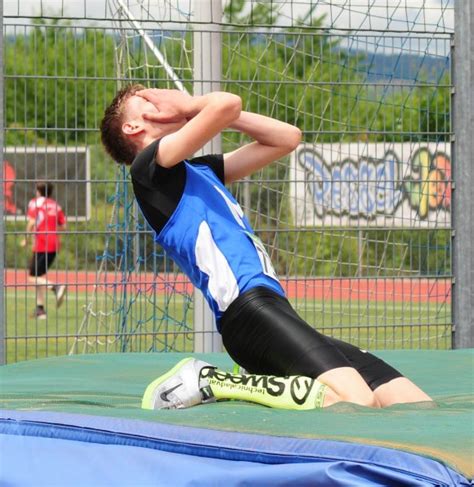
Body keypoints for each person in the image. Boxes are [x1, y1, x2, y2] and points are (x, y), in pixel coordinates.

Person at [100, 85, 432, 410]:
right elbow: (226, 104)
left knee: (411, 403)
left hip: (275, 309)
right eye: (149, 97)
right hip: (246, 313)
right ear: (133, 126)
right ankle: (215, 381)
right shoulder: (149, 170)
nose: (161, 96)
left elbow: (287, 137)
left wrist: (212, 113)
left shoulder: (201, 170)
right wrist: (189, 106)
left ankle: (251, 381)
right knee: (356, 400)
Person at [21, 182, 67, 320]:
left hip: (42, 244)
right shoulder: (55, 205)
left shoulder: (35, 203)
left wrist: (26, 239)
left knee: (32, 277)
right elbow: (64, 226)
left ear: (38, 191)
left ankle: (56, 287)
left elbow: (31, 222)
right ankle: (40, 310)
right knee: (38, 276)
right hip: (54, 245)